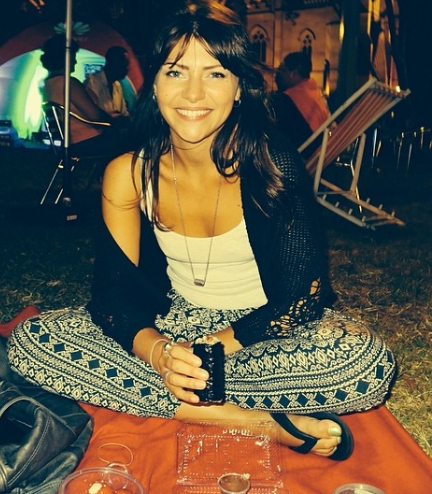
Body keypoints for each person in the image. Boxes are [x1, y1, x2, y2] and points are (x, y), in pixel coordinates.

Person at [8, 0, 396, 461]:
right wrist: (161, 355)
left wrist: (206, 351)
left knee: (367, 364)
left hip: (260, 330)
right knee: (32, 342)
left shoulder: (271, 165)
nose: (193, 94)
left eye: (215, 73)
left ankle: (186, 398)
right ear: (154, 83)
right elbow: (113, 298)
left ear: (238, 87)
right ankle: (252, 421)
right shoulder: (128, 174)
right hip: (173, 321)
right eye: (175, 72)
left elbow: (301, 296)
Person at [40, 34, 129, 158]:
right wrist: (112, 119)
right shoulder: (69, 84)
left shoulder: (48, 85)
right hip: (87, 141)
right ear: (65, 58)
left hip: (72, 141)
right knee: (131, 139)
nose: (75, 61)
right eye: (73, 57)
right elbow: (95, 115)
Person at [271, 51, 331, 149]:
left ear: (293, 74)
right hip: (321, 150)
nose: (276, 76)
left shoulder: (288, 99)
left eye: (282, 70)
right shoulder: (314, 93)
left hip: (304, 154)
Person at [84, 45, 132, 120]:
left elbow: (124, 113)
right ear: (114, 63)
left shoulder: (117, 85)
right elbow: (88, 116)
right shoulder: (92, 83)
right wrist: (108, 118)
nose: (128, 69)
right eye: (124, 64)